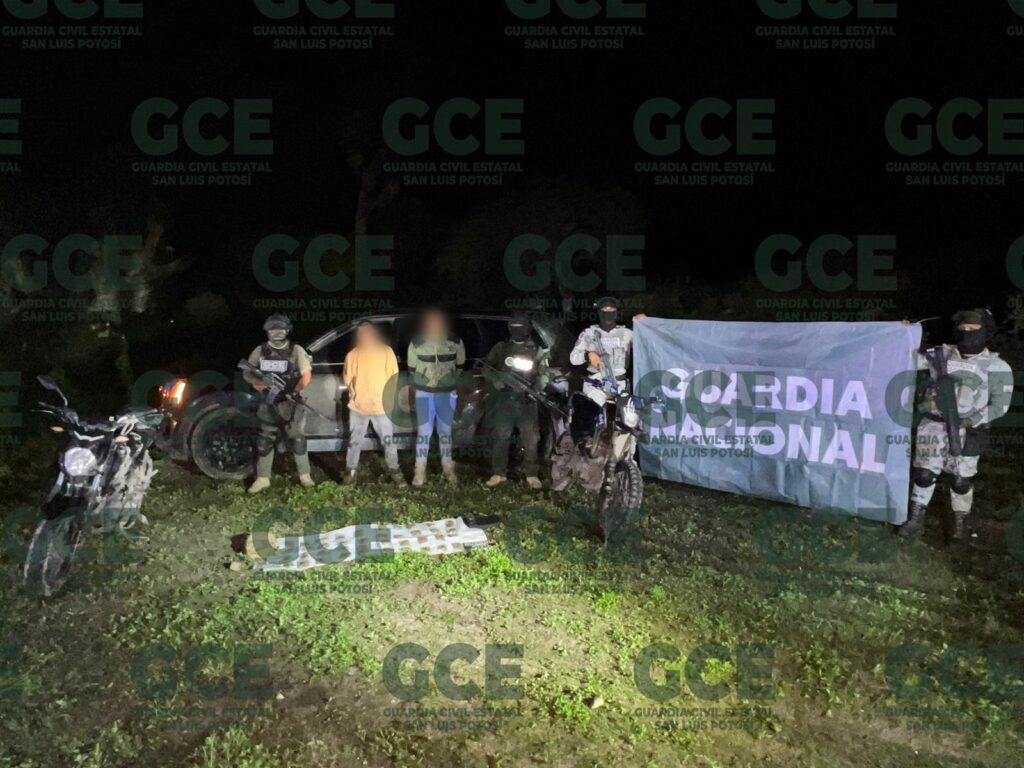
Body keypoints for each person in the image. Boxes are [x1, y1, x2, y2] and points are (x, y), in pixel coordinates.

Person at [901, 309, 1013, 539]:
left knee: (960, 480)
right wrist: (902, 336)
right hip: (933, 425)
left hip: (969, 430)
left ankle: (960, 524)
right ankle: (914, 521)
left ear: (985, 332)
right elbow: (905, 359)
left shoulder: (997, 366)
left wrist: (973, 420)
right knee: (924, 473)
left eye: (973, 329)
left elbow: (1000, 406)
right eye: (962, 329)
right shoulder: (940, 355)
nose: (967, 333)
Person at [243, 314, 314, 494]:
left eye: (280, 329)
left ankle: (305, 477)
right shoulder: (260, 350)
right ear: (267, 332)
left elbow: (306, 375)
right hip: (268, 402)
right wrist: (258, 383)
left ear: (287, 331)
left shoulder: (296, 350)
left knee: (297, 440)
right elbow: (247, 371)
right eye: (272, 330)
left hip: (290, 403)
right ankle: (263, 479)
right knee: (265, 440)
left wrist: (294, 391)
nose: (276, 333)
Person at [483, 315, 549, 489]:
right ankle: (499, 473)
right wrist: (497, 381)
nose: (517, 329)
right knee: (501, 437)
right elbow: (486, 368)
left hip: (527, 401)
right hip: (505, 400)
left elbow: (544, 373)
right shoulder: (501, 347)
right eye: (514, 325)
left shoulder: (536, 349)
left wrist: (537, 388)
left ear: (527, 328)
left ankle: (531, 474)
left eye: (520, 326)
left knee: (531, 439)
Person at [407, 308, 465, 486]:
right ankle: (419, 473)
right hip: (424, 394)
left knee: (445, 433)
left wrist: (449, 381)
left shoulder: (455, 341)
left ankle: (448, 470)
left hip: (447, 394)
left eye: (438, 320)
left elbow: (460, 365)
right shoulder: (416, 342)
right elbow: (412, 368)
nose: (435, 324)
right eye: (431, 321)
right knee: (423, 433)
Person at [343, 322, 406, 486]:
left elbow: (394, 375)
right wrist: (356, 396)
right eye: (361, 333)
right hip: (358, 408)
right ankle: (350, 472)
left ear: (374, 333)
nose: (365, 336)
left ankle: (395, 471)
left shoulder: (386, 352)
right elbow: (348, 379)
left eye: (367, 332)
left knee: (388, 442)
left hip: (381, 407)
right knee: (354, 442)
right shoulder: (352, 355)